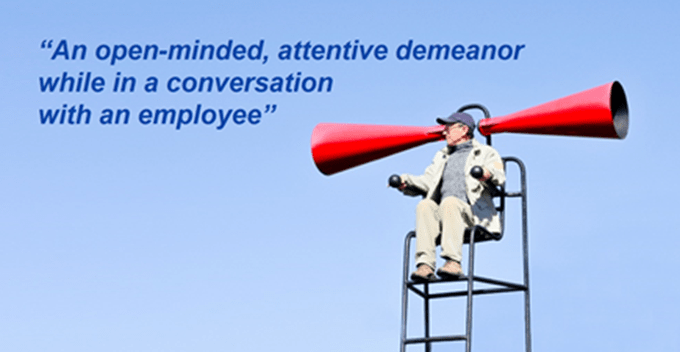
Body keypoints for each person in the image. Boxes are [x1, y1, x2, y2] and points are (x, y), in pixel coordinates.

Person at [396, 112, 505, 281]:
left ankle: (453, 262)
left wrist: (486, 173)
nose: (444, 132)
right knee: (425, 205)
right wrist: (406, 181)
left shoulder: (485, 152)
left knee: (450, 202)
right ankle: (425, 265)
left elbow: (499, 175)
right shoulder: (442, 156)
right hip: (446, 215)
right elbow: (428, 181)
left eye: (448, 128)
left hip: (472, 213)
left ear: (463, 130)